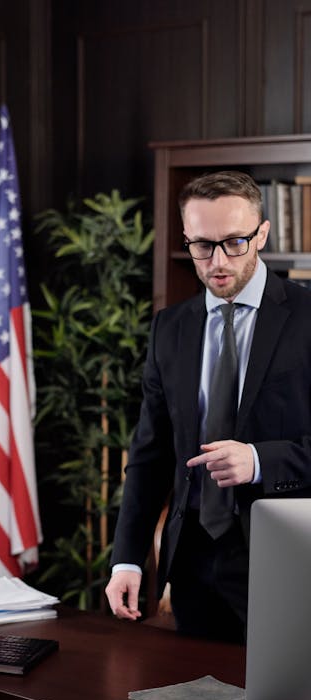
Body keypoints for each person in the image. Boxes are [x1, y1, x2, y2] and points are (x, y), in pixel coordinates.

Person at [105, 169, 311, 643]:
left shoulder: (305, 319)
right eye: (202, 245)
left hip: (284, 560)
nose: (217, 261)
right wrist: (127, 559)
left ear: (261, 234)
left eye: (234, 243)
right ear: (185, 239)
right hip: (192, 558)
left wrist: (259, 460)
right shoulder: (169, 329)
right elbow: (150, 455)